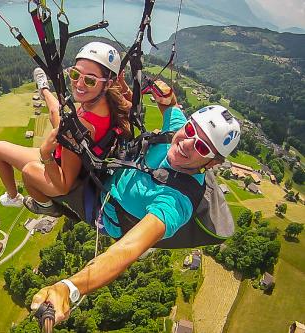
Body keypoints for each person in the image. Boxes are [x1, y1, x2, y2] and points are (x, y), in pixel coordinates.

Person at [29, 81, 241, 324]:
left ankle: (48, 207)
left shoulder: (176, 201)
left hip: (101, 211)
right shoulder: (176, 130)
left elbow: (128, 250)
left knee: (31, 170)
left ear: (212, 163)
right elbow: (171, 106)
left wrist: (69, 287)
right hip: (106, 176)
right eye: (191, 130)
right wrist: (167, 96)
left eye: (202, 147)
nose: (187, 143)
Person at [0, 42, 131, 213]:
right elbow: (56, 113)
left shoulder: (78, 128)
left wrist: (45, 155)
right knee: (55, 113)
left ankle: (42, 205)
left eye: (90, 80)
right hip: (82, 156)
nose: (79, 84)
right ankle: (43, 88)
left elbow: (64, 185)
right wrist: (124, 86)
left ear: (107, 83)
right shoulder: (113, 102)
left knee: (18, 163)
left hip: (63, 170)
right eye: (75, 74)